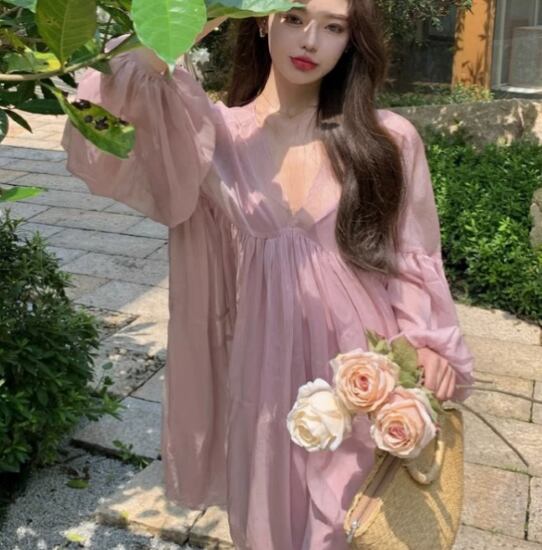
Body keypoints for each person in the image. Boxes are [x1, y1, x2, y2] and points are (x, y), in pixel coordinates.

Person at [61, 0, 475, 548]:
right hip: (261, 378)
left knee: (356, 524)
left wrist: (427, 344)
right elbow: (111, 91)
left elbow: (412, 256)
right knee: (267, 526)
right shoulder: (215, 138)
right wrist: (201, 12)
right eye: (294, 18)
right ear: (262, 19)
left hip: (361, 375)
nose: (310, 41)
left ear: (351, 40)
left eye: (333, 28)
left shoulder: (386, 138)